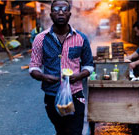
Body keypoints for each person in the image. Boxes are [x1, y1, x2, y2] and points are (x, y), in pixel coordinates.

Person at [29, 0, 94, 134]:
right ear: (51, 14)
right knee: (61, 130)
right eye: (56, 10)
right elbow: (33, 67)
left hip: (76, 94)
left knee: (75, 131)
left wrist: (79, 75)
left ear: (70, 14)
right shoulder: (40, 39)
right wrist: (43, 76)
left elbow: (89, 65)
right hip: (52, 94)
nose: (60, 12)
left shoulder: (81, 38)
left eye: (64, 10)